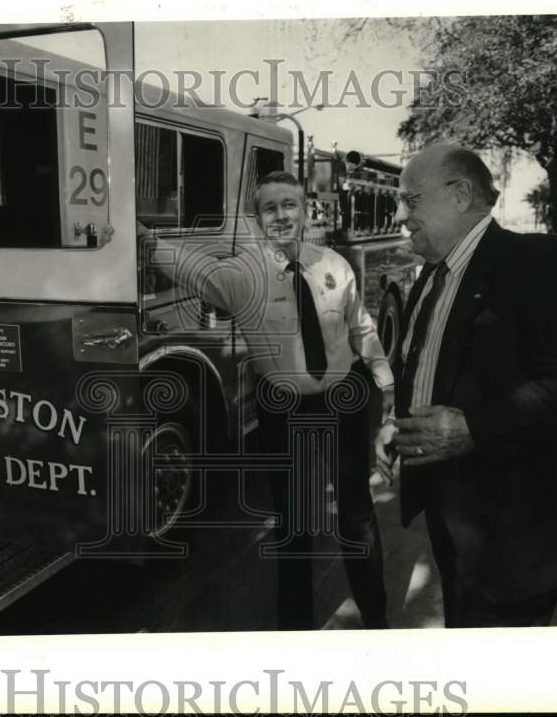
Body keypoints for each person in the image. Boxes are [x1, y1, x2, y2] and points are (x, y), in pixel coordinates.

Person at [139, 170, 393, 630]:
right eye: (270, 207)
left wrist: (385, 380)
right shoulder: (241, 276)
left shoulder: (334, 265)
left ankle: (377, 621)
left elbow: (361, 327)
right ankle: (293, 631)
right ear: (257, 220)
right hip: (284, 409)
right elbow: (191, 266)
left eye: (289, 204)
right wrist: (146, 241)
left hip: (343, 398)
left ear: (304, 210)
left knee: (356, 514)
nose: (281, 215)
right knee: (293, 523)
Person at [377, 144, 557, 628]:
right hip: (452, 518)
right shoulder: (430, 276)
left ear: (460, 194)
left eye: (411, 200)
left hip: (516, 534)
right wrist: (396, 424)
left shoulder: (537, 260)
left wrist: (472, 427)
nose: (400, 215)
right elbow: (427, 365)